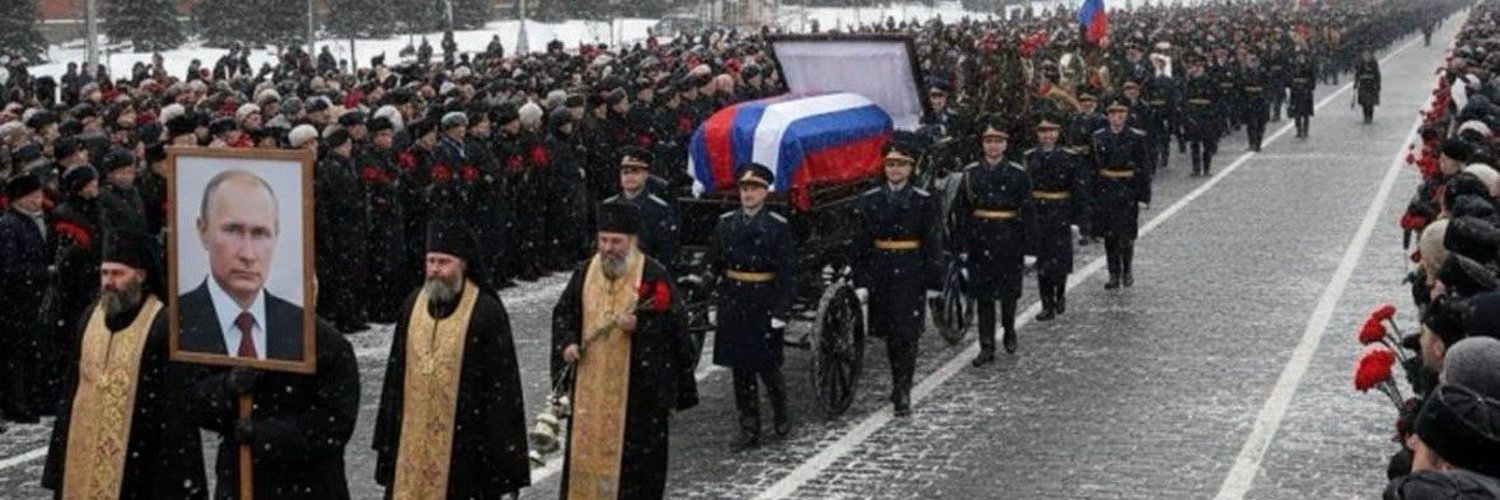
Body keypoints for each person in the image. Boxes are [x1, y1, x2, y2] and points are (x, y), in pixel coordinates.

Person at [42, 230, 207, 499]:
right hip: (83, 459)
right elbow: (72, 391)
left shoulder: (161, 325)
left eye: (118, 274)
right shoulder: (90, 318)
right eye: (104, 273)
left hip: (138, 460)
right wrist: (57, 464)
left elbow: (176, 412)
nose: (109, 282)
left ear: (140, 276)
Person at [373, 219, 530, 499]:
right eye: (431, 261)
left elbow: (502, 392)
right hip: (411, 447)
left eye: (444, 262)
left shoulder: (486, 312)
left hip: (465, 452)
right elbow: (395, 379)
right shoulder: (411, 306)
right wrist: (388, 442)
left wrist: (503, 463)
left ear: (463, 265)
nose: (435, 269)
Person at [553, 201, 699, 498]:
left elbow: (673, 327)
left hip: (637, 395)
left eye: (616, 241)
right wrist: (568, 342)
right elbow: (565, 313)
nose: (608, 248)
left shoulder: (651, 275)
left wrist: (641, 326)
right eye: (603, 240)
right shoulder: (585, 272)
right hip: (590, 392)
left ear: (632, 241)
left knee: (634, 474)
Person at [186, 318, 360, 499]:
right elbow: (194, 403)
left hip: (310, 484)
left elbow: (335, 423)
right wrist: (227, 386)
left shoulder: (325, 342)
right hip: (241, 480)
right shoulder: (230, 336)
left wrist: (263, 434)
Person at [850, 140, 942, 416]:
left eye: (901, 164)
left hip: (911, 271)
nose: (895, 170)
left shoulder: (924, 201)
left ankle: (903, 390)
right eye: (890, 164)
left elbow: (933, 244)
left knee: (907, 333)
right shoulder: (870, 200)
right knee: (891, 334)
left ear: (911, 168)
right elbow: (860, 245)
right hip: (882, 271)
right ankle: (898, 380)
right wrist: (861, 281)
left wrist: (934, 282)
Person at [708, 164, 796, 449]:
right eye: (744, 189)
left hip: (764, 301)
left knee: (767, 365)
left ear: (765, 192)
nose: (748, 194)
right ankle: (749, 426)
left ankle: (780, 410)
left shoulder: (778, 226)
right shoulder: (725, 224)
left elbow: (787, 273)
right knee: (741, 368)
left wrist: (781, 311)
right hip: (735, 300)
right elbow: (715, 264)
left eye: (754, 189)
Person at [178, 170, 306, 362]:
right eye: (232, 230)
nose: (248, 254)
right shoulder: (170, 327)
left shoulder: (306, 332)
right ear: (203, 231)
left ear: (276, 236)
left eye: (260, 233)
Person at [953, 116, 1031, 365]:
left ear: (1005, 144)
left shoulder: (1018, 173)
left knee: (1008, 293)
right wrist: (963, 245)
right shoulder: (970, 173)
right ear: (982, 144)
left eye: (998, 141)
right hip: (981, 239)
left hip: (1009, 238)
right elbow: (963, 212)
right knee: (983, 295)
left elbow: (1027, 212)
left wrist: (1029, 248)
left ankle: (1009, 328)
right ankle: (986, 345)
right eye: (988, 141)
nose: (993, 146)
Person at [0, 174, 50, 423]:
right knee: (17, 356)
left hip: (32, 300)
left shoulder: (29, 222)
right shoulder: (9, 225)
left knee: (32, 352)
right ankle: (17, 404)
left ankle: (32, 399)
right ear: (21, 198)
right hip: (17, 303)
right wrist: (42, 273)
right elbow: (9, 269)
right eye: (35, 196)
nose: (40, 201)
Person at [1090, 98, 1154, 290]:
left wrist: (1144, 196)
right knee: (1109, 236)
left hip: (1128, 190)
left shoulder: (1136, 137)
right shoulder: (1098, 137)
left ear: (1126, 115)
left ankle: (1127, 270)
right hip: (1106, 190)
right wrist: (1092, 195)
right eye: (1112, 113)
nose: (1117, 117)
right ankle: (1113, 273)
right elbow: (1093, 168)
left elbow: (1143, 168)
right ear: (1108, 116)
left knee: (1126, 235)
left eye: (1121, 113)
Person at [1025, 115, 1084, 321]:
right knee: (1042, 262)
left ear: (1058, 134)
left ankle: (1060, 292)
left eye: (1051, 131)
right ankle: (1046, 304)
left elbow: (1078, 190)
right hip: (1038, 212)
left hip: (1060, 212)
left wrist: (1078, 220)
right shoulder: (1029, 157)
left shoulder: (1069, 157)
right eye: (1043, 132)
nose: (1047, 136)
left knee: (1060, 260)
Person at [314, 128, 370, 333]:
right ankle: (346, 317)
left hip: (350, 227)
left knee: (353, 273)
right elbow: (340, 200)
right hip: (342, 228)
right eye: (347, 144)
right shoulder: (332, 168)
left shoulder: (345, 165)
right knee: (344, 274)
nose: (350, 148)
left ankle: (353, 314)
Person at [603, 146, 680, 268]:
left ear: (645, 175)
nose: (629, 176)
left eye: (635, 172)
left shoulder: (660, 210)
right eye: (625, 172)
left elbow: (666, 253)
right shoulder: (608, 206)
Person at [1181, 56, 1221, 176]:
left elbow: (1216, 99)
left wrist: (1214, 115)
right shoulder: (1189, 83)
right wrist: (1187, 116)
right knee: (1194, 145)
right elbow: (1185, 101)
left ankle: (1207, 168)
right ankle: (1196, 168)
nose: (1197, 69)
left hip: (1207, 117)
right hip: (1193, 117)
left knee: (1207, 145)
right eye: (1195, 67)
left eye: (1199, 67)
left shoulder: (1210, 82)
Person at [1288, 50, 1318, 139]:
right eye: (1299, 57)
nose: (1300, 58)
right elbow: (1289, 79)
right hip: (1296, 92)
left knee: (1305, 113)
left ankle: (1305, 130)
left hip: (1305, 92)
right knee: (1296, 113)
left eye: (1302, 57)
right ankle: (1298, 130)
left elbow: (1312, 79)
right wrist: (1292, 85)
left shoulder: (1309, 67)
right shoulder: (1293, 67)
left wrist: (1309, 87)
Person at [1355, 50, 1382, 124]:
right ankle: (1365, 116)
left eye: (1367, 55)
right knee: (1364, 103)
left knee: (1371, 103)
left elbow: (1377, 75)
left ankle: (1370, 116)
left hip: (1372, 85)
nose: (1366, 57)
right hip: (1363, 85)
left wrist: (1378, 84)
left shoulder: (1374, 64)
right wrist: (1356, 83)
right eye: (1365, 55)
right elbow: (1357, 74)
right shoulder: (1361, 64)